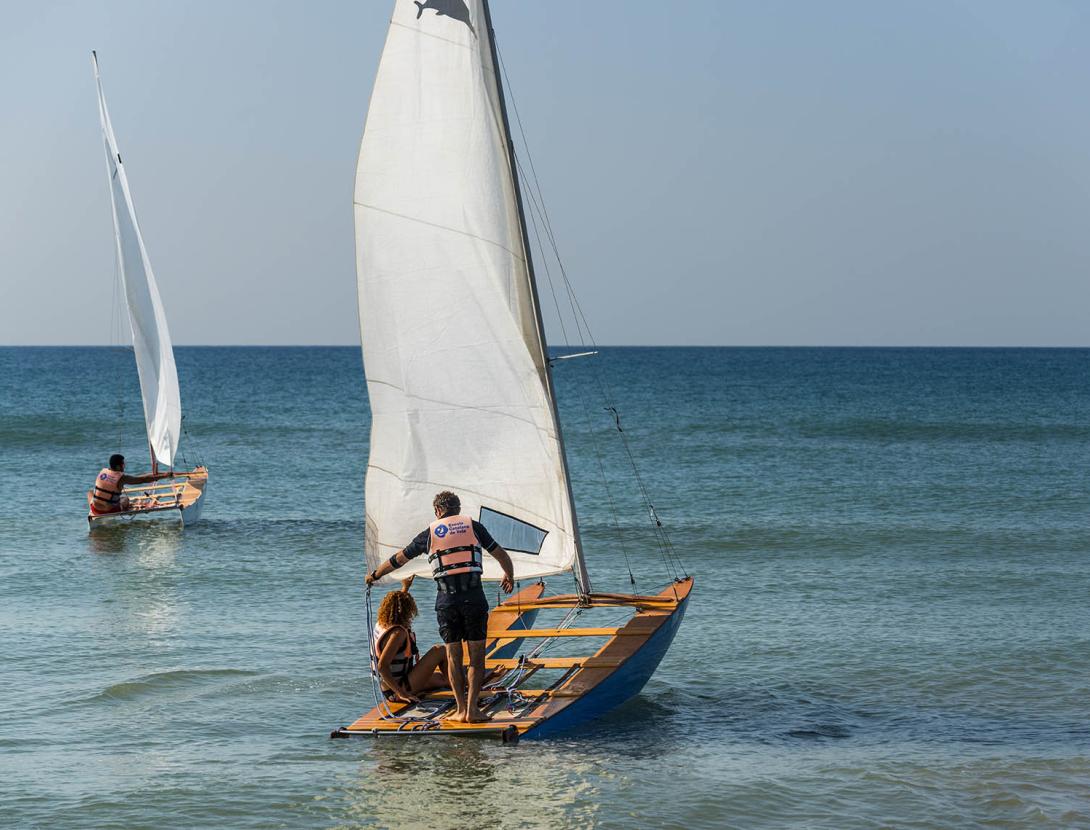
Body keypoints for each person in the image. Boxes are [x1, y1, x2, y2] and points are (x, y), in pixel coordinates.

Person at [366, 490, 515, 723]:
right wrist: (509, 576)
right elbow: (501, 555)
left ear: (437, 511)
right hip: (474, 598)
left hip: (447, 602)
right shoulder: (474, 527)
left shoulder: (429, 534)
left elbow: (398, 559)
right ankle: (473, 711)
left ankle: (460, 710)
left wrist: (375, 575)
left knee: (453, 656)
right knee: (476, 658)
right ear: (458, 509)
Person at [371, 576, 450, 704]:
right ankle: (458, 687)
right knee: (440, 650)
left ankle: (453, 682)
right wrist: (401, 693)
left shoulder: (382, 623)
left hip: (390, 688)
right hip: (399, 688)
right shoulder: (398, 634)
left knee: (441, 679)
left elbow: (397, 604)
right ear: (408, 611)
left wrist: (406, 587)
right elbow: (382, 667)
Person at [89, 453, 173, 514]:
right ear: (118, 466)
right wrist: (164, 475)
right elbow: (142, 479)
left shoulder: (103, 472)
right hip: (108, 510)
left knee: (90, 493)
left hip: (94, 508)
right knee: (125, 499)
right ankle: (122, 508)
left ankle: (95, 507)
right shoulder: (122, 478)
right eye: (123, 464)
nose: (124, 466)